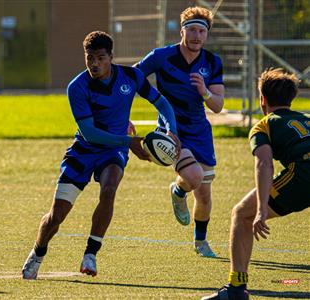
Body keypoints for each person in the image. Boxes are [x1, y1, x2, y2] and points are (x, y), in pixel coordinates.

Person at [21, 31, 180, 279]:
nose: (94, 64)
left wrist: (172, 132)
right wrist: (130, 141)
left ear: (111, 57)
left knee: (109, 189)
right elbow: (90, 132)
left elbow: (162, 104)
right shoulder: (77, 87)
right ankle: (38, 252)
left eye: (100, 58)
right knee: (57, 215)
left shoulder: (131, 76)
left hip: (113, 150)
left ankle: (90, 254)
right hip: (84, 150)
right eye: (89, 58)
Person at [202, 68, 310, 300]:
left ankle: (236, 289)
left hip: (304, 173)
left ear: (262, 99)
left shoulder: (264, 125)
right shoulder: (305, 119)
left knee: (242, 213)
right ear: (291, 98)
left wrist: (261, 210)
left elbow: (264, 164)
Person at [134, 6, 224, 257]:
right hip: (171, 129)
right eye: (192, 30)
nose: (197, 36)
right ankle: (179, 190)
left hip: (200, 131)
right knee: (194, 177)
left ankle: (200, 242)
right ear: (182, 30)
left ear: (207, 35)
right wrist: (145, 102)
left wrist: (205, 91)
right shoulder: (161, 56)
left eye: (202, 31)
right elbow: (131, 79)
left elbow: (217, 106)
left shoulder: (212, 62)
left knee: (204, 195)